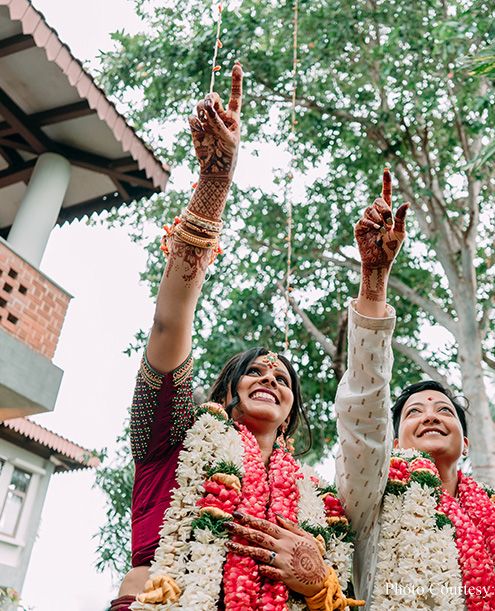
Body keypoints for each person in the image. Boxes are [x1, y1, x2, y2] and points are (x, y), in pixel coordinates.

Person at [110, 65, 358, 611]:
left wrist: (318, 583)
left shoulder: (318, 500)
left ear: (291, 414)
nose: (271, 377)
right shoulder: (175, 437)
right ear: (226, 392)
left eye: (283, 379)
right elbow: (169, 322)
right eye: (255, 371)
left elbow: (342, 595)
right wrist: (214, 185)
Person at [335, 192, 495, 610]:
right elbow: (363, 408)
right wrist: (374, 278)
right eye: (414, 412)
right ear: (391, 443)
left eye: (444, 411)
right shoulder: (370, 495)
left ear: (466, 443)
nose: (431, 416)